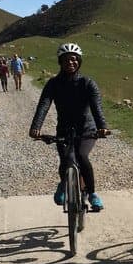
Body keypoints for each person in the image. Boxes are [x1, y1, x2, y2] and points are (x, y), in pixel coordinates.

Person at [28, 43, 110, 212]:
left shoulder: (87, 83)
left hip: (87, 129)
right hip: (64, 129)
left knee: (81, 156)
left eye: (74, 59)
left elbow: (97, 107)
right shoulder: (53, 84)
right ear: (60, 62)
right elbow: (43, 105)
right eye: (66, 59)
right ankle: (64, 184)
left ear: (79, 61)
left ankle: (93, 194)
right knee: (66, 160)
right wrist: (36, 127)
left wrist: (102, 127)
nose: (70, 62)